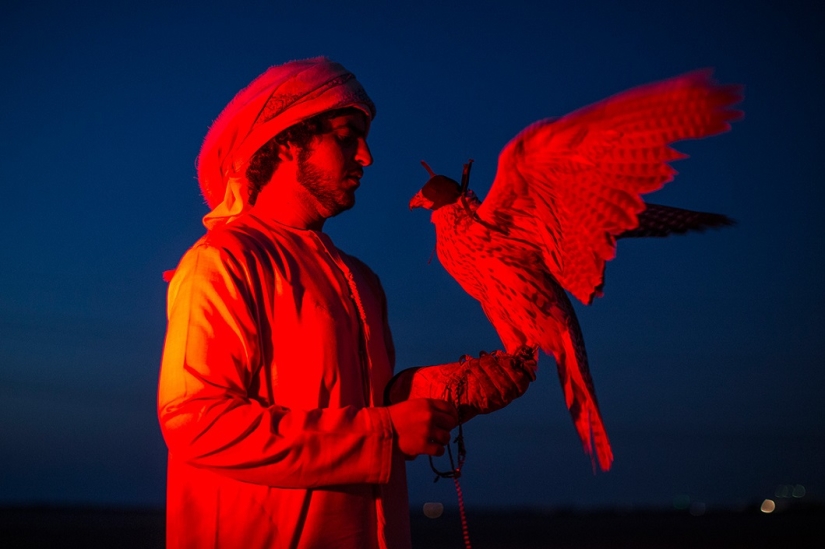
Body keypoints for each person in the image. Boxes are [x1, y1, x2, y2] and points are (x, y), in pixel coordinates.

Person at [157, 57, 537, 549]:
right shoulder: (224, 260)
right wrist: (382, 435)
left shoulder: (362, 280)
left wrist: (434, 391)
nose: (367, 157)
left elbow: (361, 408)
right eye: (346, 135)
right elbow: (198, 422)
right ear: (288, 141)